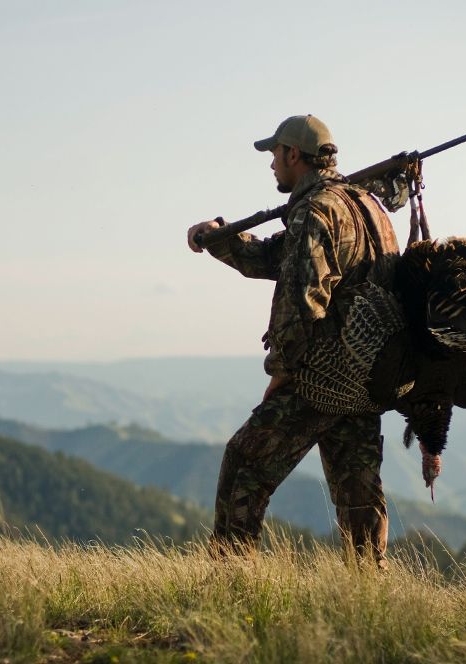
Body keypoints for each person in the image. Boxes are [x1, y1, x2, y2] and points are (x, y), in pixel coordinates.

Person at [186, 114, 403, 567]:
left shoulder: (315, 211)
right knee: (358, 493)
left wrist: (281, 374)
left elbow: (300, 298)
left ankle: (232, 581)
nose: (271, 165)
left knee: (245, 461)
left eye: (274, 155)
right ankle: (371, 596)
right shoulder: (366, 207)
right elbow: (272, 256)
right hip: (367, 381)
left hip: (320, 376)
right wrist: (217, 236)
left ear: (294, 155)